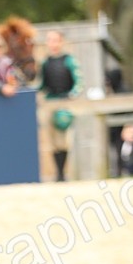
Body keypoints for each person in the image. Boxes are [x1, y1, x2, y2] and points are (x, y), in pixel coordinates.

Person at [38, 29, 82, 181]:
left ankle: (63, 173)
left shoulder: (69, 60)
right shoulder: (45, 62)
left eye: (56, 40)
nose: (53, 43)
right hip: (50, 102)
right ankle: (58, 174)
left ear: (61, 42)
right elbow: (42, 84)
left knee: (64, 140)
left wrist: (73, 94)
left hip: (65, 103)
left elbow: (78, 82)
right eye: (50, 40)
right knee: (52, 141)